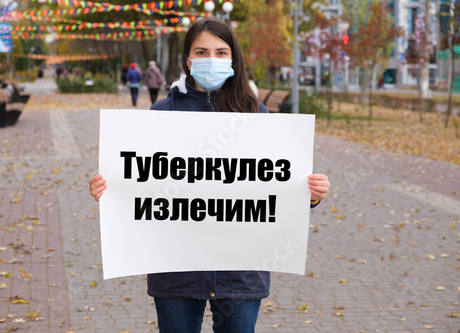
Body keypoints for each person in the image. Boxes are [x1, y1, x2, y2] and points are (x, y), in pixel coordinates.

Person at [89, 17, 330, 333]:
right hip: (175, 270)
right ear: (188, 60)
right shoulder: (161, 115)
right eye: (201, 52)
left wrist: (308, 195)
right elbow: (141, 184)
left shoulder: (257, 116)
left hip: (240, 273)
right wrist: (109, 189)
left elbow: (274, 187)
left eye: (220, 51)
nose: (211, 59)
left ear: (233, 58)